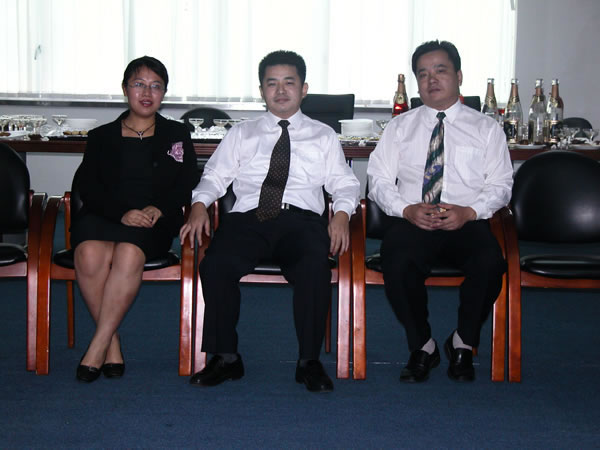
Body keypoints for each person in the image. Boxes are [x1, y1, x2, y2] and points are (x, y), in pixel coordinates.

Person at [180, 50, 360, 393]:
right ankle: (226, 357)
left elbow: (344, 183)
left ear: (303, 89)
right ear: (261, 90)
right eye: (271, 83)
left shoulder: (323, 135)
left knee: (314, 267)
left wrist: (340, 214)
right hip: (248, 220)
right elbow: (214, 176)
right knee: (215, 264)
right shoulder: (242, 133)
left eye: (289, 82)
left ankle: (309, 361)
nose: (280, 90)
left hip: (301, 221)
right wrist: (200, 204)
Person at [367, 40, 513, 383]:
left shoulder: (486, 128)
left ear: (459, 76)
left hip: (466, 220)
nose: (431, 79)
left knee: (490, 263)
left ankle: (462, 342)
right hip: (414, 219)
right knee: (396, 260)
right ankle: (423, 346)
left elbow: (501, 185)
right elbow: (378, 179)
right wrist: (405, 209)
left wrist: (470, 211)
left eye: (440, 70)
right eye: (423, 74)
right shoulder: (399, 127)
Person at [72, 56, 199, 382]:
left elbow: (186, 182)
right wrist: (121, 213)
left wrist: (160, 208)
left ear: (164, 93)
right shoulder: (101, 136)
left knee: (128, 253)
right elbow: (89, 187)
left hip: (152, 222)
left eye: (156, 86)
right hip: (106, 216)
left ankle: (97, 346)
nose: (147, 92)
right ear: (125, 89)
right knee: (88, 253)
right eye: (139, 84)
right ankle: (110, 342)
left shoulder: (176, 133)